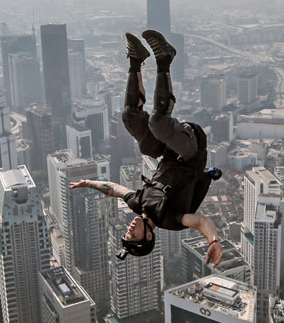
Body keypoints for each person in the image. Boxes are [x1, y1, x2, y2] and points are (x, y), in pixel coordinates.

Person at [70, 30, 223, 267]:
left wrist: (88, 184)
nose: (129, 228)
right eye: (133, 235)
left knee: (130, 117)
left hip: (169, 151)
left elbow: (114, 190)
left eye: (127, 232)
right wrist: (213, 241)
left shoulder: (139, 205)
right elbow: (202, 221)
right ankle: (165, 60)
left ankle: (136, 59)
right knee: (157, 123)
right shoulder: (170, 219)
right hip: (191, 151)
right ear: (149, 236)